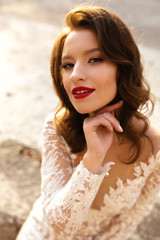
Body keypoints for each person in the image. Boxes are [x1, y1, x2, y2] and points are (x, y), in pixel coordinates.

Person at [16, 5, 160, 240]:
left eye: (94, 59)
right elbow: (59, 226)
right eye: (68, 65)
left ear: (123, 68)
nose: (75, 75)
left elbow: (133, 217)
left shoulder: (154, 146)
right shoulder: (57, 127)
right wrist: (93, 158)